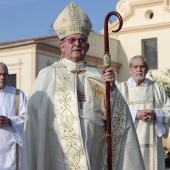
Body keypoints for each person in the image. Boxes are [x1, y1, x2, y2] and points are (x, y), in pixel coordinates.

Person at [23, 2, 145, 170]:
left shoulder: (99, 74)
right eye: (71, 40)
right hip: (59, 146)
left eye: (81, 40)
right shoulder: (48, 74)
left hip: (94, 144)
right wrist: (67, 96)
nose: (77, 43)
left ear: (87, 47)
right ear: (62, 46)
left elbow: (116, 115)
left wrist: (111, 90)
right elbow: (36, 109)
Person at [117, 55, 170, 170]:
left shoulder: (156, 87)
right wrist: (135, 114)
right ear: (130, 70)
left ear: (147, 69)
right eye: (135, 67)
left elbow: (168, 108)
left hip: (153, 143)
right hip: (129, 142)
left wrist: (156, 113)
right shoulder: (121, 88)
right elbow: (114, 112)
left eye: (142, 66)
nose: (139, 69)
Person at [0, 62, 27, 170]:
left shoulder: (18, 94)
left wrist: (10, 121)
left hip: (11, 149)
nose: (2, 77)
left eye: (5, 74)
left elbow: (27, 117)